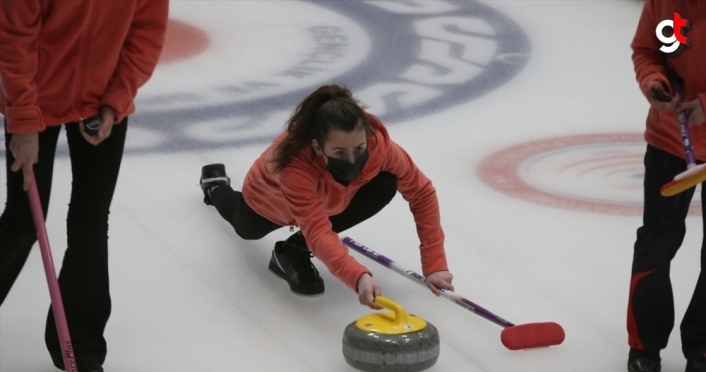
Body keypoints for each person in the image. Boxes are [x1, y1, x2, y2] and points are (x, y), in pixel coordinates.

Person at [0, 2, 168, 371]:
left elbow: (146, 34)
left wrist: (114, 102)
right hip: (34, 102)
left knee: (91, 223)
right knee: (24, 220)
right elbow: (13, 38)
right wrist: (24, 119)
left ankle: (81, 348)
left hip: (101, 102)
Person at [199, 84, 454, 308]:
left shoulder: (379, 145)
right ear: (317, 147)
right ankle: (216, 187)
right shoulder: (292, 164)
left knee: (385, 184)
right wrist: (357, 275)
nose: (353, 160)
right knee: (245, 227)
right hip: (271, 202)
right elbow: (318, 230)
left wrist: (435, 264)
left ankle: (292, 250)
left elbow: (421, 193)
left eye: (359, 148)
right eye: (340, 152)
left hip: (332, 199)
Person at [627, 1, 706, 372]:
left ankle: (702, 347)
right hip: (670, 141)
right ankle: (645, 348)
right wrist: (653, 81)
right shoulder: (664, 2)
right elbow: (648, 51)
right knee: (657, 242)